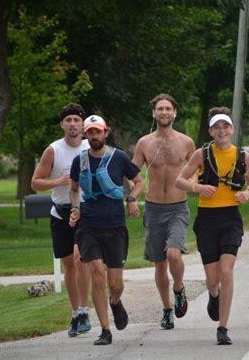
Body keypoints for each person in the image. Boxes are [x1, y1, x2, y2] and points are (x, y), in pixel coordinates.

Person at [175, 107, 249, 345]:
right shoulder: (201, 155)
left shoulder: (244, 156)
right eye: (217, 127)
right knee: (213, 280)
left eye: (226, 127)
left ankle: (223, 327)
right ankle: (213, 294)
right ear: (211, 131)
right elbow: (179, 180)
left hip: (230, 218)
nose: (221, 131)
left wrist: (248, 193)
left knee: (227, 271)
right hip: (207, 219)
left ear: (232, 130)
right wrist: (198, 188)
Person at [69, 115, 144, 345]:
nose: (94, 136)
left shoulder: (118, 157)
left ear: (105, 132)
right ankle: (105, 330)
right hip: (88, 227)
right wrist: (75, 209)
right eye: (90, 132)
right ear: (86, 134)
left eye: (97, 132)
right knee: (97, 276)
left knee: (115, 283)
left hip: (114, 227)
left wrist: (131, 198)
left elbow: (139, 181)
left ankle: (115, 301)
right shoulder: (79, 161)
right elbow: (73, 189)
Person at [132, 94, 195, 329]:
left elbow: (197, 167)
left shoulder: (186, 142)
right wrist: (133, 192)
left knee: (173, 255)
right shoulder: (144, 143)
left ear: (175, 112)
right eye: (160, 109)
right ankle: (167, 309)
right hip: (154, 208)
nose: (164, 112)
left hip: (178, 207)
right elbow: (132, 170)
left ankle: (178, 288)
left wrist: (193, 183)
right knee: (159, 263)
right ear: (154, 113)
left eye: (168, 108)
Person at [31, 103, 92, 337]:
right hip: (60, 211)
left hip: (86, 210)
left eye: (77, 120)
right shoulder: (53, 150)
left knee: (80, 258)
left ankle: (85, 310)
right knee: (69, 264)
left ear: (83, 125)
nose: (73, 124)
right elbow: (35, 182)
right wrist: (59, 181)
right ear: (62, 125)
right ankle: (76, 312)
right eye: (69, 121)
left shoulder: (91, 147)